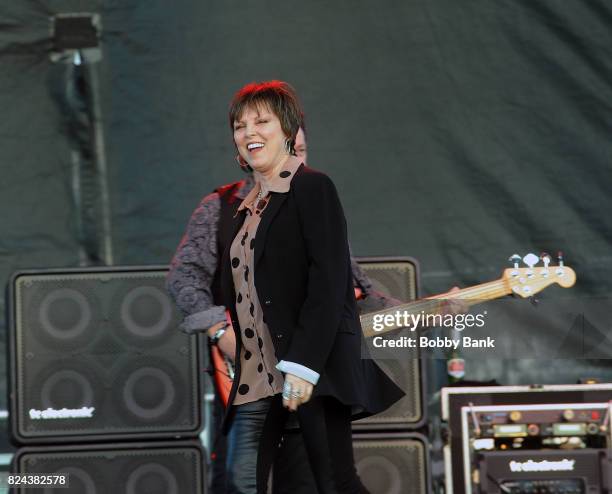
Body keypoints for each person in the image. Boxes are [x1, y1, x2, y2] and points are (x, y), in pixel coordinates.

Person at [168, 80, 404, 493]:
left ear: (289, 132)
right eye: (240, 126)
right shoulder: (238, 208)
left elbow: (338, 285)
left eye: (262, 122)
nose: (248, 133)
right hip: (255, 375)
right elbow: (206, 281)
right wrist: (221, 332)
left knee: (331, 483)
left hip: (306, 370)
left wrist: (304, 366)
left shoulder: (313, 188)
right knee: (240, 483)